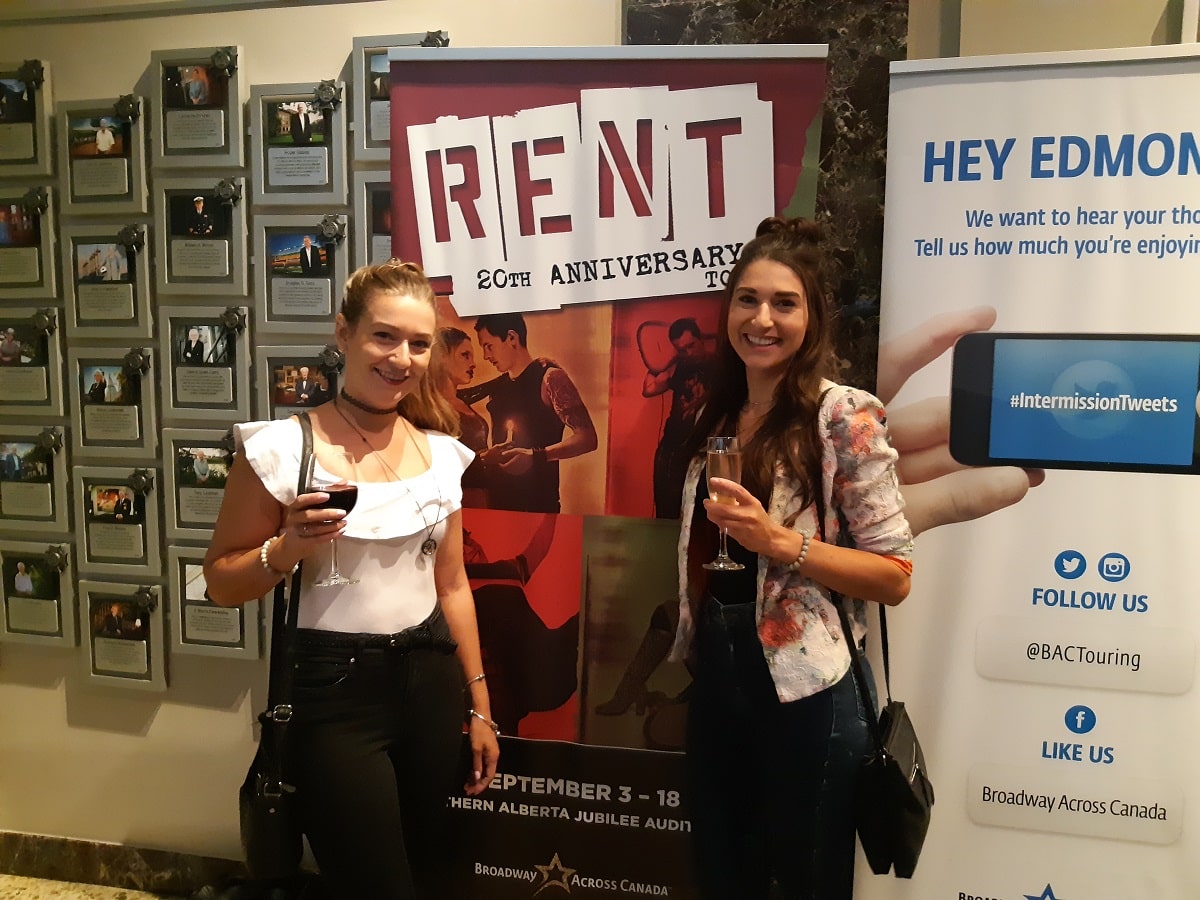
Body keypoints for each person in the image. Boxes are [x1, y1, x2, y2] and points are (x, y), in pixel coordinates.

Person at [203, 260, 500, 899]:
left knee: (430, 872)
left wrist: (480, 707)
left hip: (430, 682)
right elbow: (221, 582)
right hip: (334, 693)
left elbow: (452, 587)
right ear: (344, 333)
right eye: (384, 337)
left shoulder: (440, 452)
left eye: (419, 343)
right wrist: (286, 548)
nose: (402, 358)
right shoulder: (282, 449)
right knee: (372, 884)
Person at [670, 217, 913, 899]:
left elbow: (894, 577)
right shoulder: (719, 413)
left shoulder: (843, 415)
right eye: (747, 300)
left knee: (808, 883)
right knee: (722, 877)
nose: (762, 320)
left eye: (785, 303)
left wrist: (780, 543)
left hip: (808, 690)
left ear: (812, 317)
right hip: (719, 677)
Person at [462, 515, 579, 735]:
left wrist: (551, 512)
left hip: (525, 663)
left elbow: (539, 547)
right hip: (492, 671)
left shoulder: (509, 569)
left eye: (468, 539)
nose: (469, 547)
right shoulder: (451, 580)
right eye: (462, 543)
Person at [471, 312, 598, 513]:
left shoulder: (550, 377)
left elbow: (587, 438)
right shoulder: (498, 386)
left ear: (511, 338)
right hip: (496, 504)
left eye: (489, 346)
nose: (486, 356)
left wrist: (536, 456)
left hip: (537, 507)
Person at [642, 317, 715, 518]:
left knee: (700, 513)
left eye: (691, 346)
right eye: (682, 349)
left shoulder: (721, 366)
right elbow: (648, 389)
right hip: (672, 448)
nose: (688, 353)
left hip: (703, 451)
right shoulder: (679, 366)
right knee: (666, 512)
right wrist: (670, 359)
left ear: (701, 339)